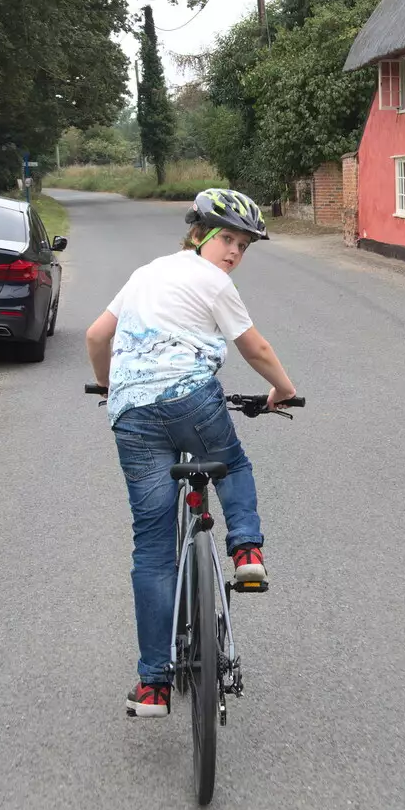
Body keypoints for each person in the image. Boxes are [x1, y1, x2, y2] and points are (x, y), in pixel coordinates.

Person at [85, 188, 296, 718]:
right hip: (189, 399)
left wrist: (110, 387)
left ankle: (153, 685)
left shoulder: (145, 273)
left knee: (152, 550)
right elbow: (255, 348)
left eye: (243, 246)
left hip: (131, 415)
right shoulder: (213, 280)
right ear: (198, 234)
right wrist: (283, 390)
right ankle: (247, 551)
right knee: (234, 462)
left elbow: (96, 335)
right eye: (227, 238)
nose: (233, 253)